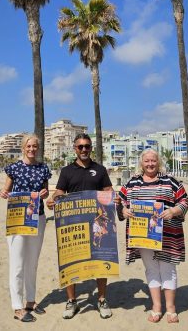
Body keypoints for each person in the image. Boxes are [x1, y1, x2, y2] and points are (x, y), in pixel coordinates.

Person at [46, 133, 114, 320]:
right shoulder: (67, 171)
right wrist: (54, 199)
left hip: (96, 223)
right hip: (73, 224)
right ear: (74, 149)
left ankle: (101, 299)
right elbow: (60, 191)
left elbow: (108, 190)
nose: (84, 150)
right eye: (80, 147)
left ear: (91, 148)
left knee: (100, 259)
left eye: (87, 146)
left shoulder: (100, 170)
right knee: (71, 260)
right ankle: (72, 301)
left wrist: (112, 195)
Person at [118, 149, 188, 324]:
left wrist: (173, 211)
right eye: (147, 161)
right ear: (141, 163)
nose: (150, 164)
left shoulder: (170, 181)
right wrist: (124, 211)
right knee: (151, 270)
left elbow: (184, 201)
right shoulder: (132, 183)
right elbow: (119, 201)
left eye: (153, 161)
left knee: (168, 269)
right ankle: (157, 307)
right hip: (143, 236)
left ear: (159, 163)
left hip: (168, 235)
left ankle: (171, 308)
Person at [0, 134, 51, 323]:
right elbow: (4, 190)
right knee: (17, 263)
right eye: (28, 146)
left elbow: (44, 192)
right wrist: (3, 192)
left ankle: (30, 301)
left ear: (38, 148)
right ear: (23, 147)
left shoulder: (43, 168)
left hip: (38, 218)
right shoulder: (14, 168)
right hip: (17, 220)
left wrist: (44, 194)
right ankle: (17, 306)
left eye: (34, 146)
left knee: (32, 262)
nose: (31, 149)